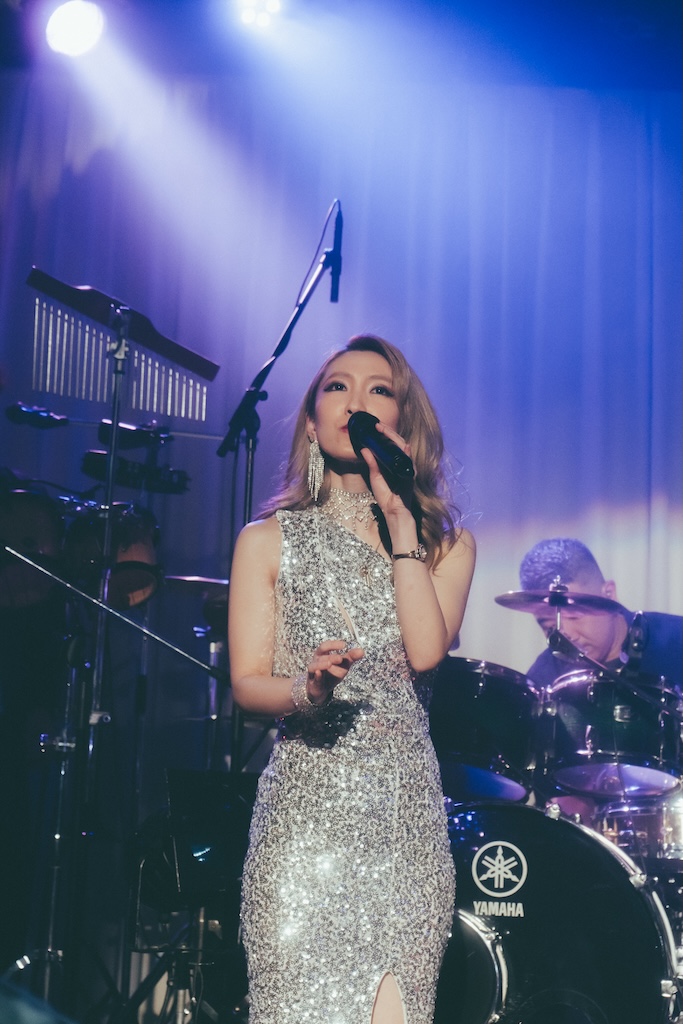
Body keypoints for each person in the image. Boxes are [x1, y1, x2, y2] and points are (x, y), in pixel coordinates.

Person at [227, 335, 476, 1024]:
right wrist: (306, 690)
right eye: (336, 387)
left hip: (402, 824)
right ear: (312, 422)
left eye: (378, 390)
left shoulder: (446, 545)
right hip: (304, 822)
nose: (355, 401)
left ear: (402, 424)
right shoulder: (266, 540)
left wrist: (401, 521)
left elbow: (424, 652)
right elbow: (247, 683)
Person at [519, 538, 682, 693]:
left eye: (574, 616)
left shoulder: (676, 640)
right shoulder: (543, 677)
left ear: (608, 594)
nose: (566, 635)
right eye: (550, 627)